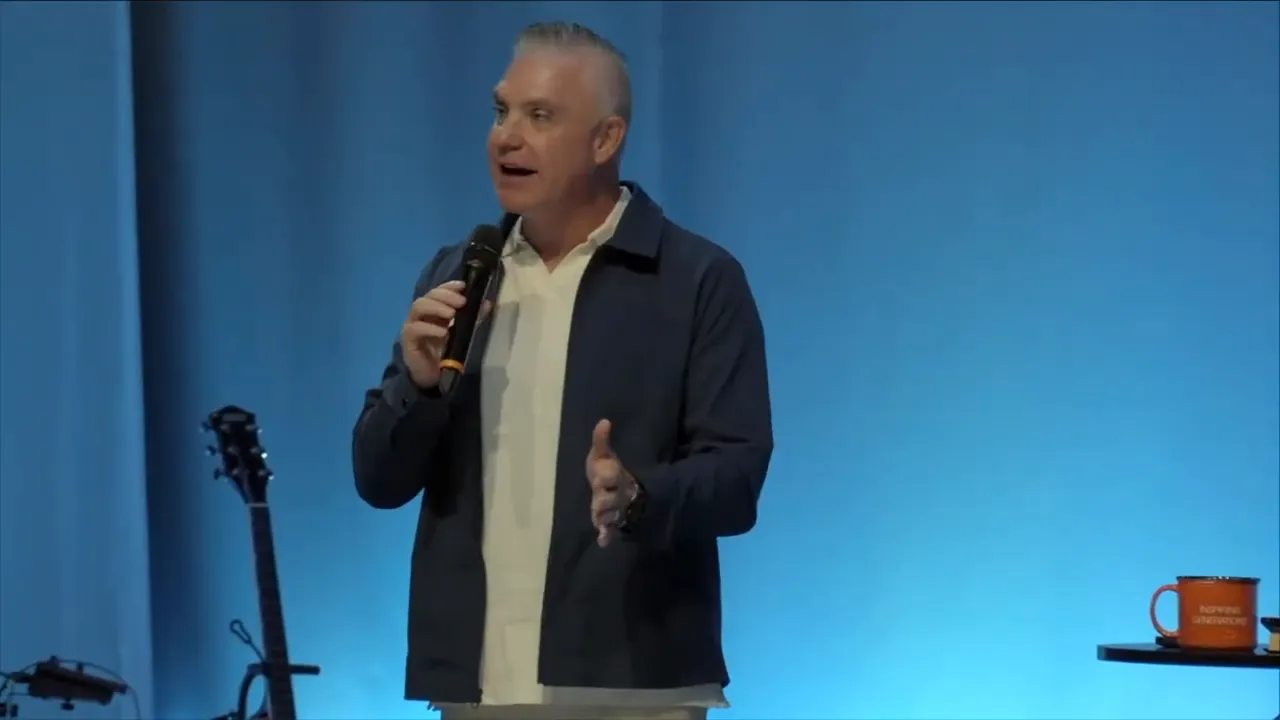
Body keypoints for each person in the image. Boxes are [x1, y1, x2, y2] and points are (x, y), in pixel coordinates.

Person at [352, 21, 773, 720]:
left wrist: (640, 496)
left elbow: (738, 478)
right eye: (500, 111)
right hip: (476, 684)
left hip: (635, 685)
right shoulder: (456, 274)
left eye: (539, 116)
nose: (506, 136)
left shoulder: (696, 278)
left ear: (606, 140)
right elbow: (377, 480)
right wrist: (418, 389)